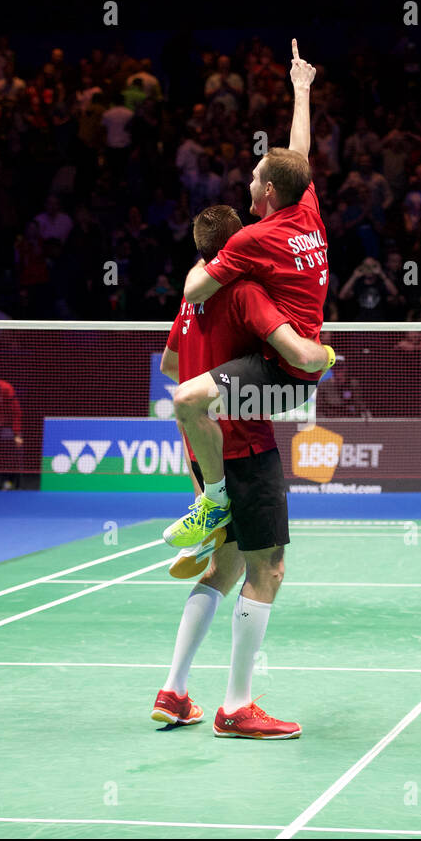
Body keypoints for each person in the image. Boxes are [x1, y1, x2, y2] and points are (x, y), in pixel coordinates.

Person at [153, 204, 330, 740]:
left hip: (202, 450)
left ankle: (175, 691)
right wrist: (320, 355)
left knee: (223, 570)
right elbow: (294, 353)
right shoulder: (247, 292)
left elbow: (168, 367)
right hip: (245, 444)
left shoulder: (191, 302)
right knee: (267, 571)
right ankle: (236, 705)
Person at [166, 39, 330, 549]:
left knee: (187, 399)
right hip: (293, 371)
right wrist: (301, 90)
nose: (249, 181)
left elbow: (195, 287)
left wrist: (207, 261)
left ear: (269, 194)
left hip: (284, 370)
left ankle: (213, 499)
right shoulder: (307, 208)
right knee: (193, 401)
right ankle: (216, 503)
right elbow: (298, 153)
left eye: (256, 178)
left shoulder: (251, 240)